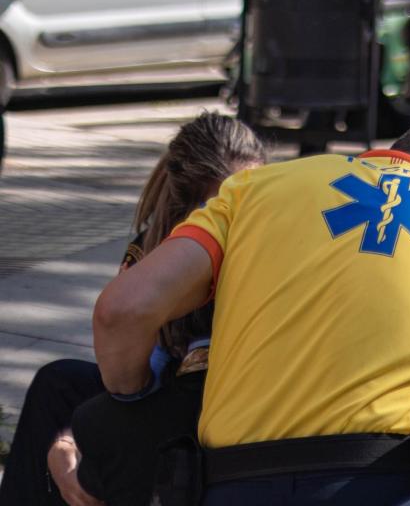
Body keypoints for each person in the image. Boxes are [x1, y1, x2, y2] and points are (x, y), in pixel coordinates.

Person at [90, 121, 410, 505]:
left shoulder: (252, 191)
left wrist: (132, 399)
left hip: (238, 484)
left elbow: (122, 310)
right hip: (392, 483)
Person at [0, 113, 264, 506]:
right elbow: (132, 374)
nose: (238, 216)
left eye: (253, 195)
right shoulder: (157, 249)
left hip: (234, 399)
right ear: (188, 209)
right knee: (58, 385)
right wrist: (74, 436)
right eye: (224, 206)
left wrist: (95, 432)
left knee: (94, 429)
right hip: (167, 386)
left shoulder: (266, 240)